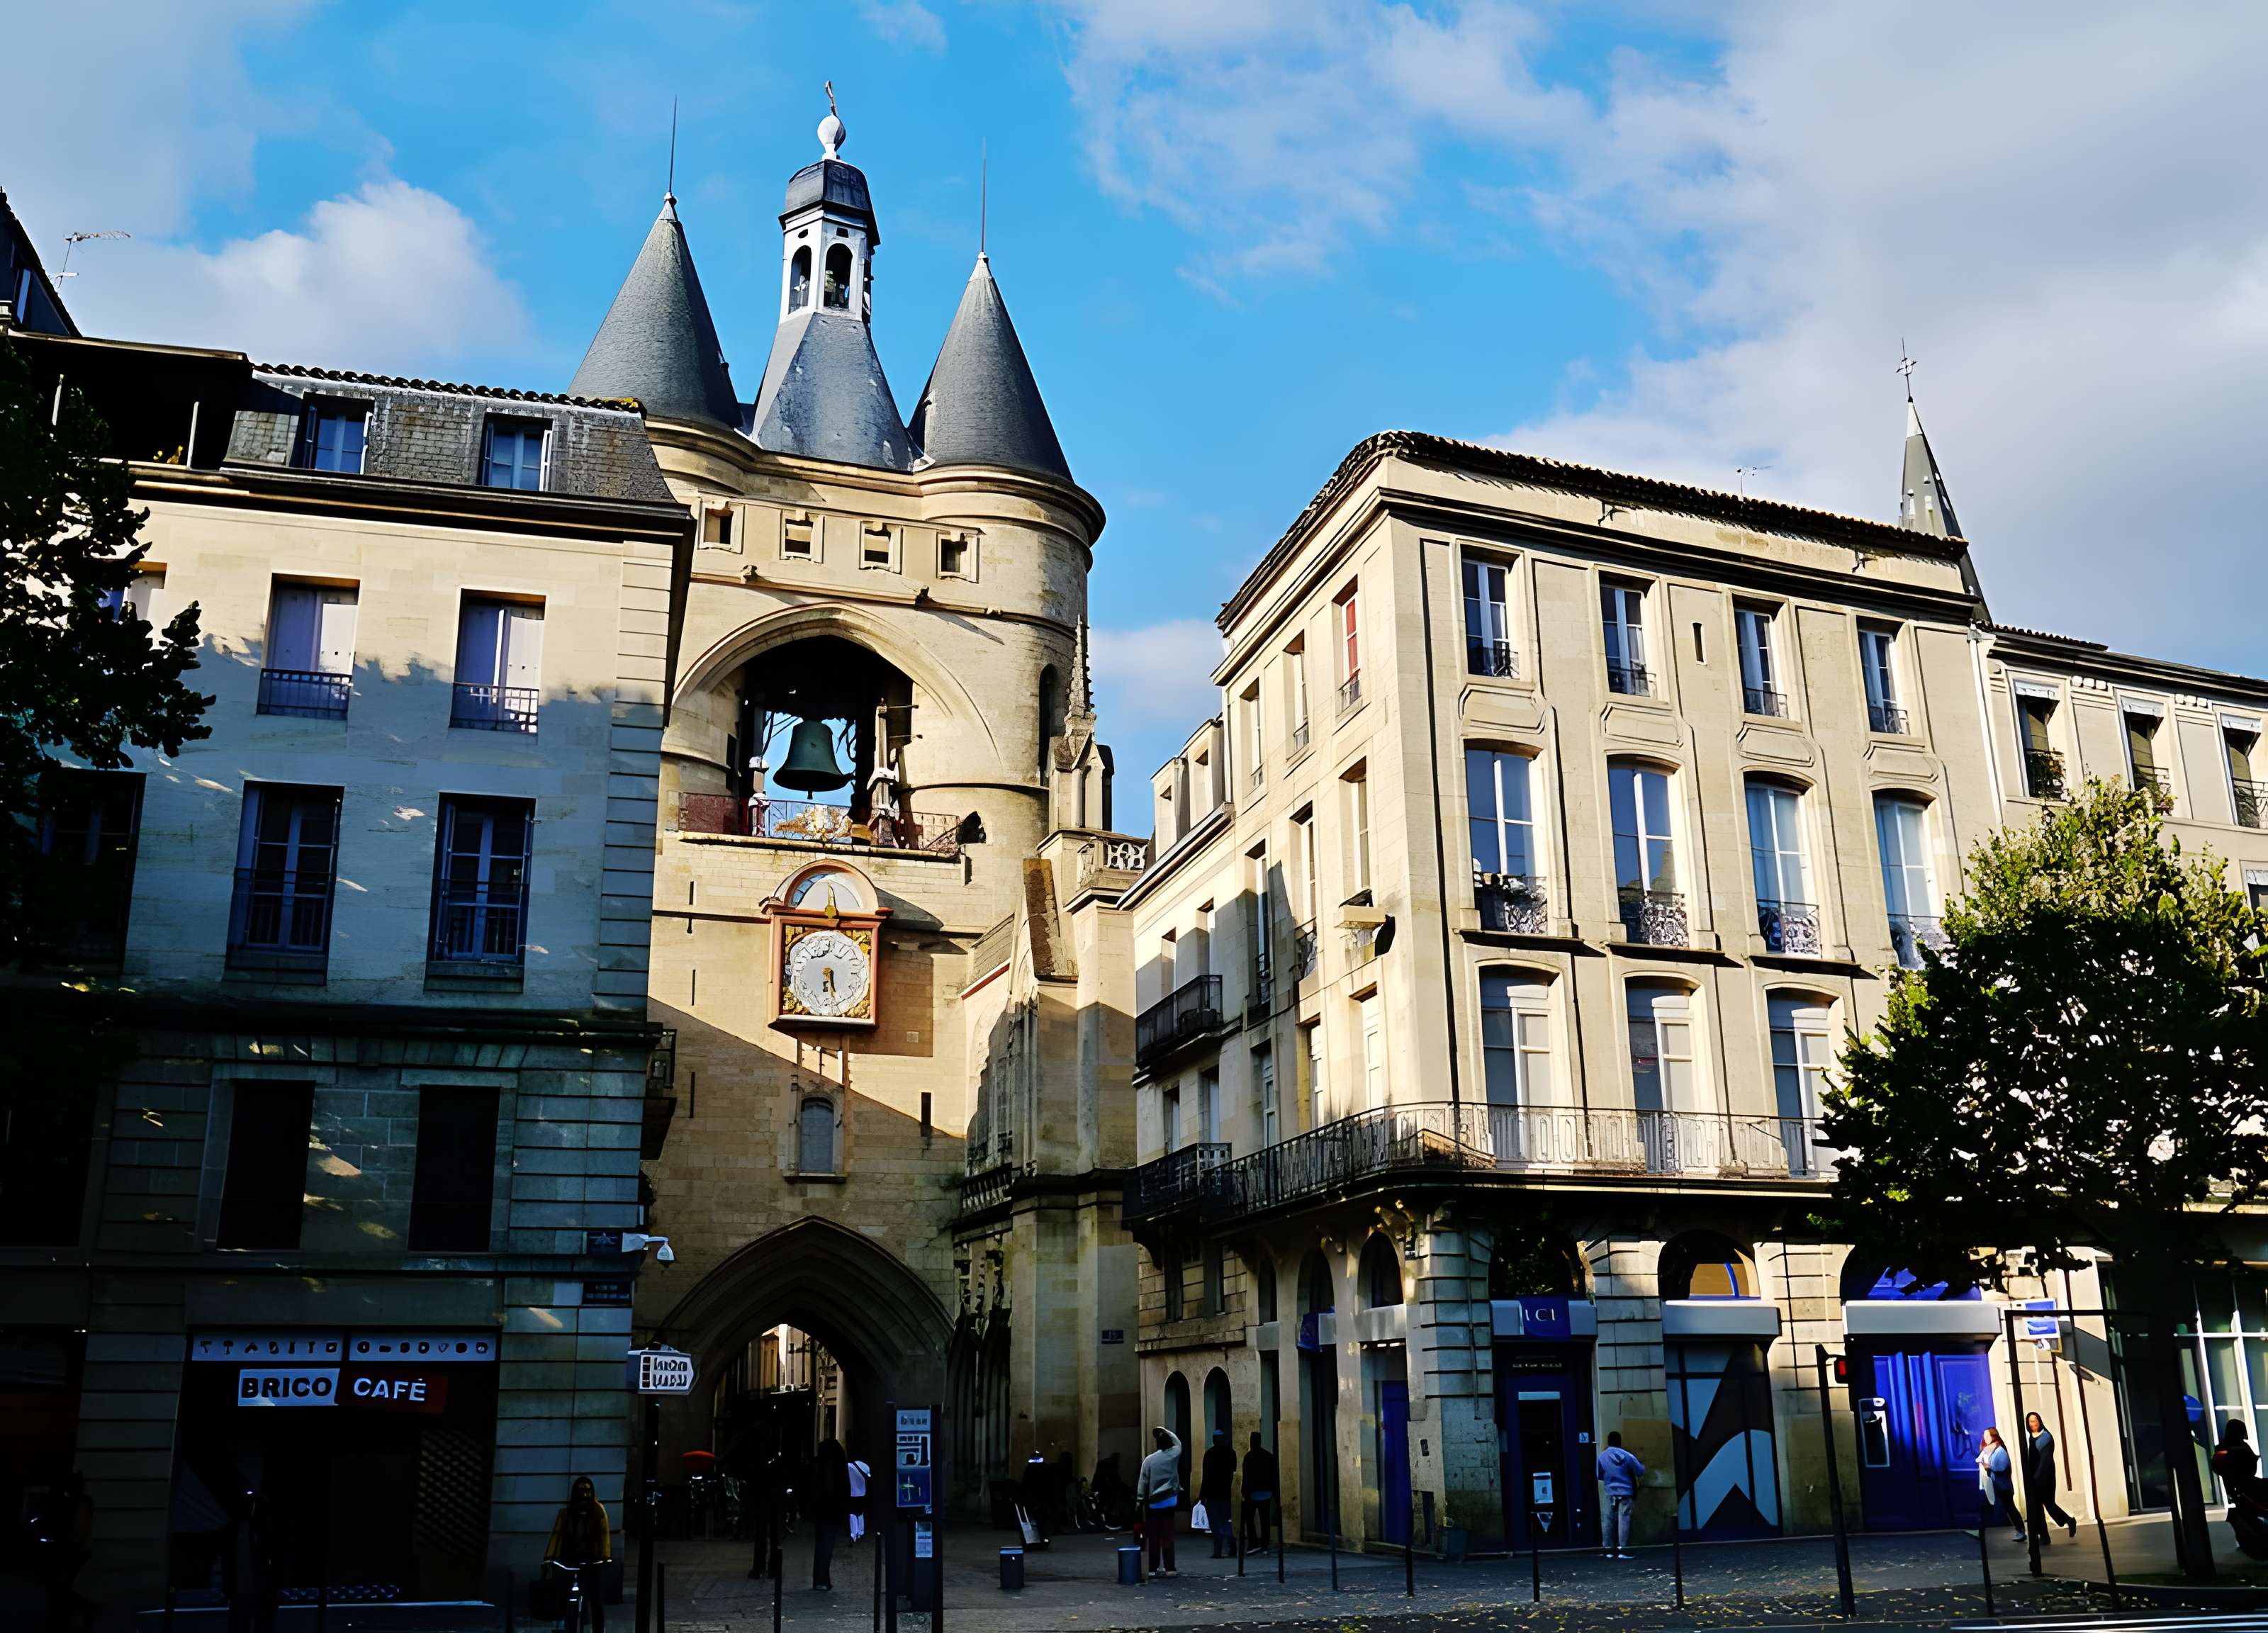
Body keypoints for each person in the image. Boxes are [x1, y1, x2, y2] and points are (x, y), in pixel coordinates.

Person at [544, 1476, 612, 1631]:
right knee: (567, 1599)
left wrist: (605, 1557)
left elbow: (604, 1536)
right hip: (570, 1560)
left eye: (588, 1491)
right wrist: (549, 1558)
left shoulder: (598, 1511)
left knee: (596, 1600)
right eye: (581, 1491)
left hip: (592, 1561)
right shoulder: (566, 1513)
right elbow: (557, 1535)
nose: (585, 1495)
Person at [1135, 1425, 1183, 1578]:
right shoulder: (1174, 1454)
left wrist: (1140, 1500)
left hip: (1154, 1503)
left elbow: (1142, 1482)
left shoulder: (1149, 1461)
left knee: (1153, 1536)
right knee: (1168, 1535)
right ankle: (1170, 1568)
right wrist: (1164, 1430)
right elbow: (1178, 1442)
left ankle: (1152, 1568)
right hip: (1170, 1500)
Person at [2023, 1411, 2079, 1541]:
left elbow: (2045, 1460)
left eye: (2036, 1419)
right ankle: (2044, 1535)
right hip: (2033, 1477)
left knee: (2049, 1503)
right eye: (2031, 1421)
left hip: (2045, 1476)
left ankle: (2069, 1520)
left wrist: (2037, 1476)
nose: (2034, 1423)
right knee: (2037, 1506)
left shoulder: (2046, 1438)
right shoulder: (2029, 1437)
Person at [808, 1438, 853, 1591]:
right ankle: (823, 1579)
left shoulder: (818, 1465)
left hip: (821, 1509)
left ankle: (820, 1579)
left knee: (821, 1544)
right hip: (831, 1509)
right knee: (827, 1545)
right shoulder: (838, 1466)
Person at [1595, 1431, 1646, 1560]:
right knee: (1624, 1521)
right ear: (1620, 1441)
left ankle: (1608, 1550)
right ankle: (1623, 1550)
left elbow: (1599, 1475)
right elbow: (1640, 1471)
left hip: (1610, 1492)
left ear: (1608, 1442)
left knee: (1608, 1521)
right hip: (1626, 1492)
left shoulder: (1602, 1457)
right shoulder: (1627, 1455)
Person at [1978, 1427, 2023, 1541]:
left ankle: (2021, 1530)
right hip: (1996, 1486)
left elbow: (2003, 1466)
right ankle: (1982, 1529)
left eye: (1988, 1436)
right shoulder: (1992, 1450)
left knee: (2010, 1508)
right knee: (1993, 1507)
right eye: (1984, 1436)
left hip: (2003, 1486)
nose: (1985, 1438)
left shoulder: (2000, 1451)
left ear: (1994, 1437)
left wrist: (1989, 1467)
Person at [1199, 1430, 1237, 1558]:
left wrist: (1202, 1495)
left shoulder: (1209, 1454)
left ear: (1214, 1440)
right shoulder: (1231, 1453)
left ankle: (1218, 1550)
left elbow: (1206, 1476)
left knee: (1215, 1523)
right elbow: (1233, 1471)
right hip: (1225, 1492)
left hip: (1212, 1493)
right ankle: (1232, 1546)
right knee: (1226, 1520)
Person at [1241, 1433, 1279, 1554]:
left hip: (1252, 1494)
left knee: (1249, 1519)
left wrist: (1245, 1492)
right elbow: (1274, 1477)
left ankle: (1253, 1543)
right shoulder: (1269, 1456)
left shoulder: (1248, 1457)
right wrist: (1275, 1493)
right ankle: (1264, 1545)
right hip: (1266, 1493)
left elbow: (1246, 1476)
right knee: (1265, 1521)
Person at [1020, 1449, 1054, 1548]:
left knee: (1039, 1520)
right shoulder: (1044, 1469)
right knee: (1041, 1521)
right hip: (1039, 1500)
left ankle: (1039, 1539)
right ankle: (1043, 1539)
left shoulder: (1031, 1469)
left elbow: (1025, 1485)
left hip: (1036, 1500)